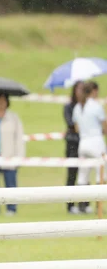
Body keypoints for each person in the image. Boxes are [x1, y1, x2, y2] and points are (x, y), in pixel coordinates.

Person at [73, 81, 107, 213]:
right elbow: (105, 127)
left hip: (83, 142)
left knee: (83, 175)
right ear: (93, 91)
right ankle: (98, 206)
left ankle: (82, 206)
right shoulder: (96, 106)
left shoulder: (77, 107)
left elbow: (76, 128)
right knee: (101, 174)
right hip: (96, 142)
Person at [63, 80, 84, 214]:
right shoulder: (68, 107)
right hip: (72, 143)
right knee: (72, 174)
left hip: (84, 142)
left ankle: (84, 204)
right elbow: (71, 123)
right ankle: (70, 205)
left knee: (84, 175)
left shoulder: (86, 106)